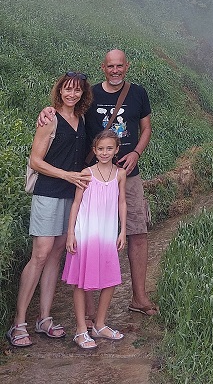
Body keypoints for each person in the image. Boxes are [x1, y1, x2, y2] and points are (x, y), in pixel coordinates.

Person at [38, 49, 158, 317]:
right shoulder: (90, 94)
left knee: (137, 232)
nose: (115, 70)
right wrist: (47, 110)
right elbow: (67, 109)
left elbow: (146, 127)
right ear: (103, 67)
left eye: (120, 66)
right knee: (89, 237)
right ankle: (91, 312)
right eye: (110, 66)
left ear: (127, 66)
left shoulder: (138, 93)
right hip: (92, 177)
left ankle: (139, 297)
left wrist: (136, 152)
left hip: (127, 173)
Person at [7, 72, 91, 348]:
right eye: (67, 89)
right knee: (41, 254)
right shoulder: (50, 118)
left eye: (77, 90)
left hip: (71, 195)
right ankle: (18, 323)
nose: (72, 94)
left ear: (82, 94)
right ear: (59, 91)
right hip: (48, 193)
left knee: (56, 254)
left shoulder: (81, 120)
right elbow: (36, 161)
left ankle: (44, 318)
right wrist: (67, 175)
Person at [62, 129, 127, 349]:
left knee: (110, 279)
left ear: (117, 150)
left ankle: (99, 324)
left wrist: (123, 230)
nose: (105, 152)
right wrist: (71, 233)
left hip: (108, 233)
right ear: (94, 150)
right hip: (86, 233)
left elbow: (122, 203)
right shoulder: (86, 173)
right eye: (100, 149)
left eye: (110, 148)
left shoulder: (120, 174)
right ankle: (81, 330)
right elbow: (76, 204)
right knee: (81, 281)